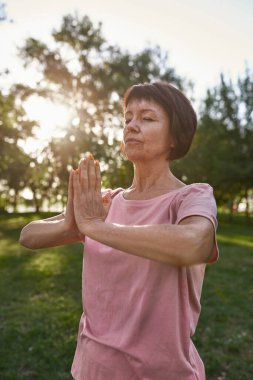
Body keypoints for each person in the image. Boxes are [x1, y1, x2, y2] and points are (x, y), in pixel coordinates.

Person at [20, 81, 219, 380]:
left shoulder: (192, 197)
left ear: (175, 136)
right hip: (93, 368)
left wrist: (96, 227)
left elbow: (194, 245)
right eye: (127, 119)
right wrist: (70, 224)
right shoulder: (105, 202)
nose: (132, 126)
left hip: (160, 372)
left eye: (147, 118)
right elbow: (28, 235)